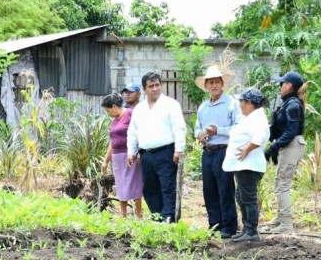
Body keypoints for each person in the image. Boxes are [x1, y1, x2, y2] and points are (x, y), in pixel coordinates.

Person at [127, 72, 187, 222]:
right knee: (149, 188)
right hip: (146, 155)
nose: (155, 89)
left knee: (167, 186)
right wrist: (131, 152)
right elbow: (133, 132)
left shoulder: (171, 104)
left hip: (166, 152)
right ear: (144, 89)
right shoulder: (139, 109)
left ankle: (168, 218)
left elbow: (179, 128)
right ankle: (157, 216)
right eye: (151, 86)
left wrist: (179, 149)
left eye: (157, 85)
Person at [194, 65, 241, 239]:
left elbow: (238, 128)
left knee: (225, 188)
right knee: (209, 189)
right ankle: (215, 224)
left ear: (222, 84)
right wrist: (200, 134)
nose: (214, 85)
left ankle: (229, 226)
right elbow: (197, 126)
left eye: (216, 82)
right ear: (206, 86)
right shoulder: (203, 107)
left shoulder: (232, 104)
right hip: (207, 151)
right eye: (210, 82)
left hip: (224, 150)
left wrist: (218, 131)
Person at [222, 88, 270, 243]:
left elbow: (259, 137)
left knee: (248, 198)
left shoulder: (257, 118)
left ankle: (252, 231)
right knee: (241, 197)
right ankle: (247, 229)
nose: (240, 105)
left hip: (249, 166)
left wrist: (246, 150)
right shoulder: (250, 117)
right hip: (243, 166)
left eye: (241, 102)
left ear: (249, 103)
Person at [263, 71, 307, 234]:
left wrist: (272, 148)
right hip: (289, 145)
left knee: (282, 185)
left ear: (289, 85)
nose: (280, 86)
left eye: (282, 83)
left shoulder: (293, 105)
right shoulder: (289, 103)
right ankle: (281, 218)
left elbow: (291, 132)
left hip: (292, 145)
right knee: (279, 182)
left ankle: (286, 224)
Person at [101, 93, 144, 218]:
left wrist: (140, 151)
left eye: (108, 110)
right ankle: (123, 215)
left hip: (130, 155)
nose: (108, 113)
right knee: (121, 186)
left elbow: (139, 132)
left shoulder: (130, 114)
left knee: (134, 184)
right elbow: (112, 142)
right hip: (117, 158)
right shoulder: (114, 122)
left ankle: (139, 214)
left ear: (114, 106)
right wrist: (106, 160)